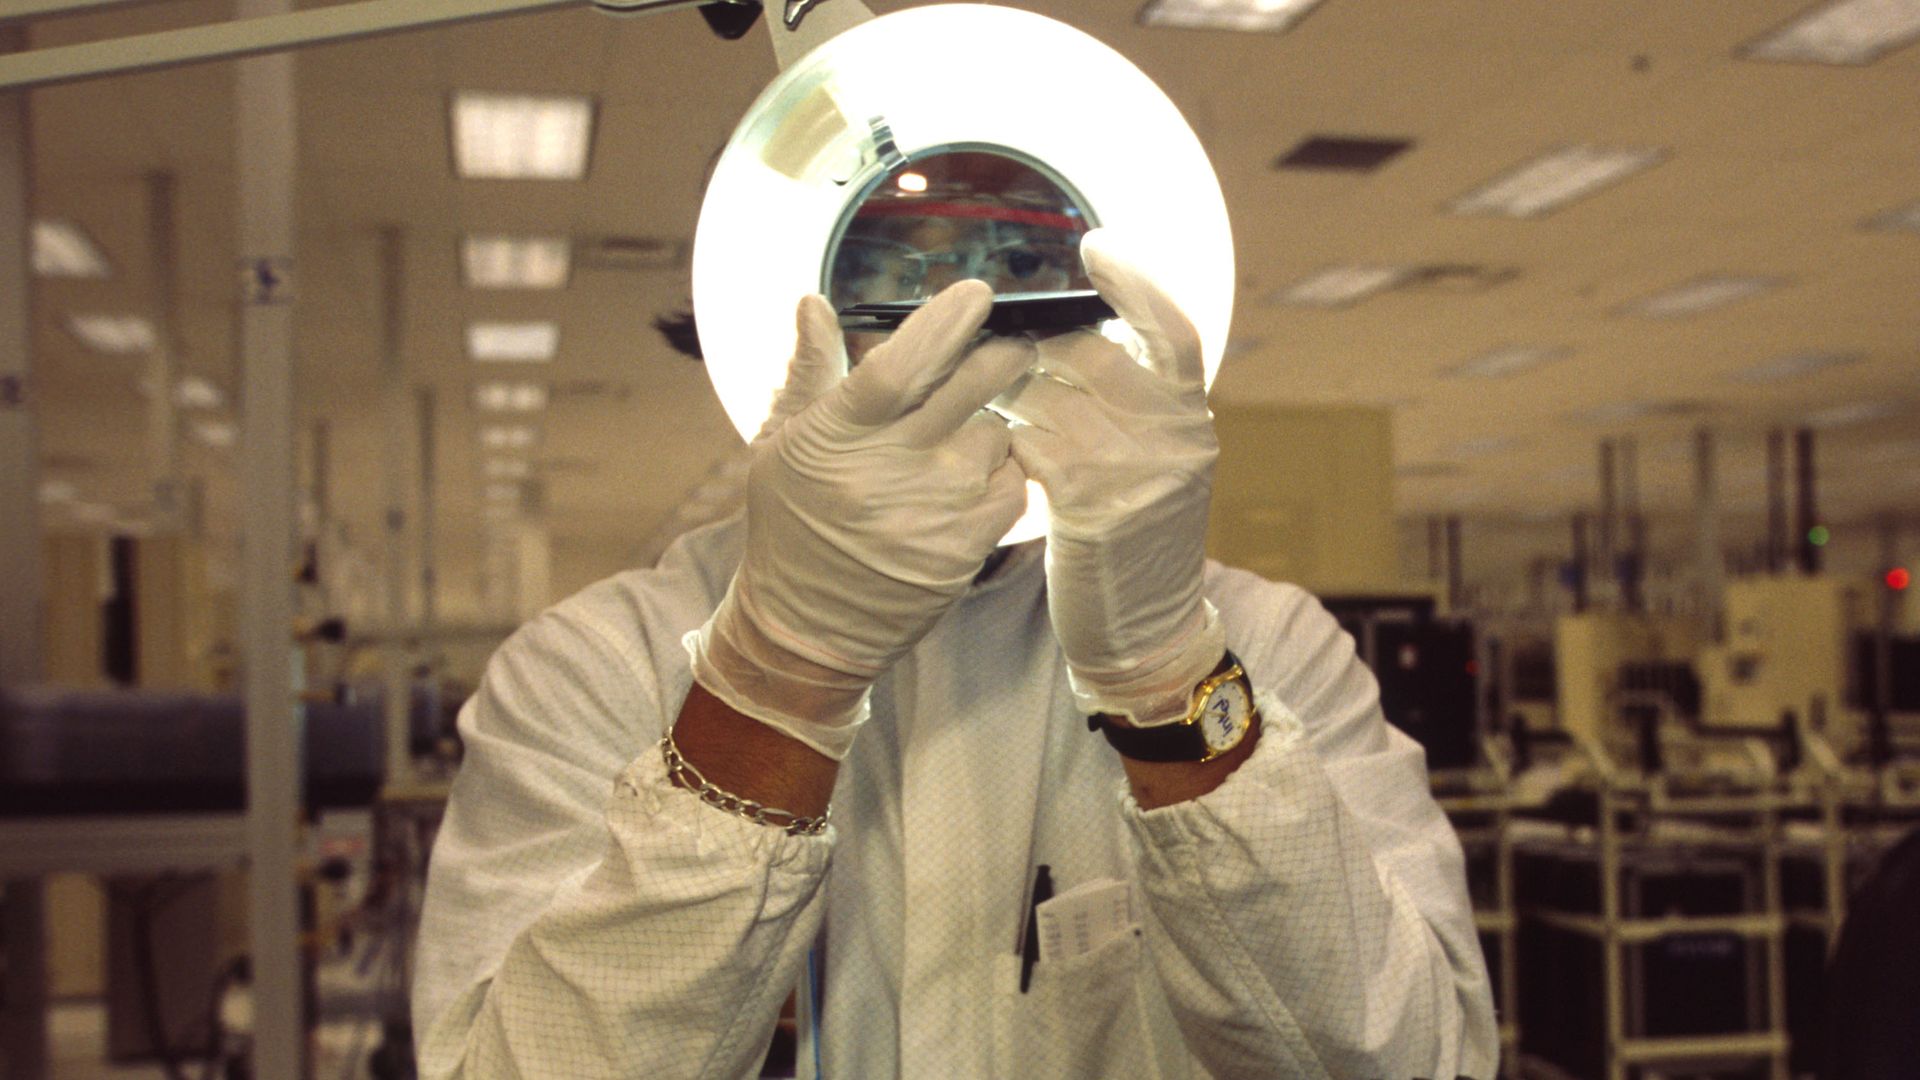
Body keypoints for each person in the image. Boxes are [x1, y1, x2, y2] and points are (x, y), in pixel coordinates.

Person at [411, 230, 1499, 1079]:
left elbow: (1412, 1058)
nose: (954, 326)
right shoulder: (596, 666)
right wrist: (774, 681)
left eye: (1013, 273)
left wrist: (1169, 680)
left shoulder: (1260, 648)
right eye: (885, 276)